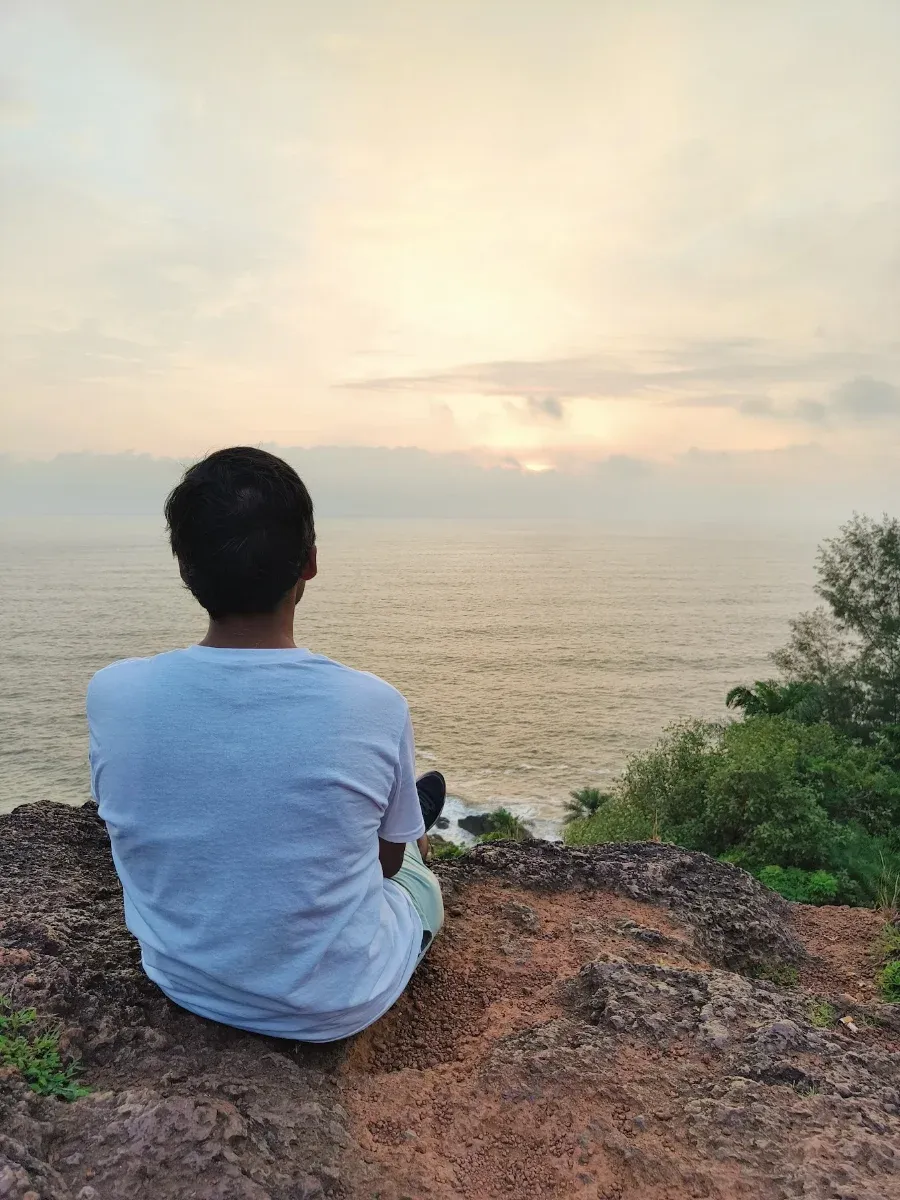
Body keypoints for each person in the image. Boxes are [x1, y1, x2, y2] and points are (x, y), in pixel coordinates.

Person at [86, 446, 445, 1042]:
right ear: (309, 561)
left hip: (181, 980)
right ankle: (415, 818)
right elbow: (380, 869)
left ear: (183, 565)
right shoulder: (373, 704)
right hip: (340, 1002)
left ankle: (404, 807)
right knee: (411, 868)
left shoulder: (113, 693)